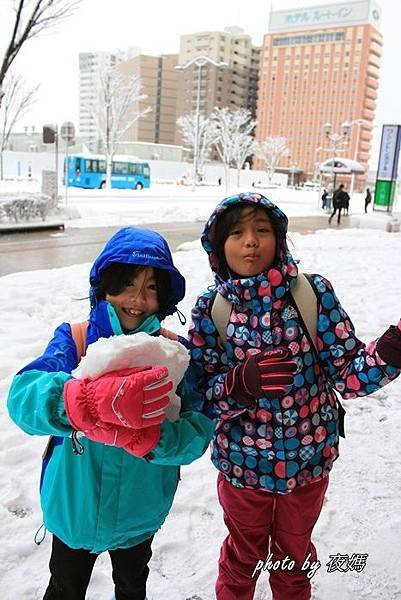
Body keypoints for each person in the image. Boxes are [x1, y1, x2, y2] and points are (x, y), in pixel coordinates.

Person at [188, 192, 401, 600]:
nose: (250, 241)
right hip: (242, 469)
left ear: (279, 238)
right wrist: (239, 384)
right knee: (242, 558)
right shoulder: (210, 309)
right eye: (236, 232)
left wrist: (394, 347)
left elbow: (349, 375)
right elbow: (202, 397)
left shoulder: (312, 294)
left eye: (262, 230)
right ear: (218, 246)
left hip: (307, 465)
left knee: (294, 557)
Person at [7, 226, 215, 600]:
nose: (137, 299)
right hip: (75, 508)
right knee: (65, 588)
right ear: (105, 286)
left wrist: (155, 439)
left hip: (141, 510)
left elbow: (198, 431)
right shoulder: (77, 339)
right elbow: (22, 398)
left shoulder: (174, 354)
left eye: (151, 287)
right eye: (127, 283)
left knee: (132, 586)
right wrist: (76, 401)